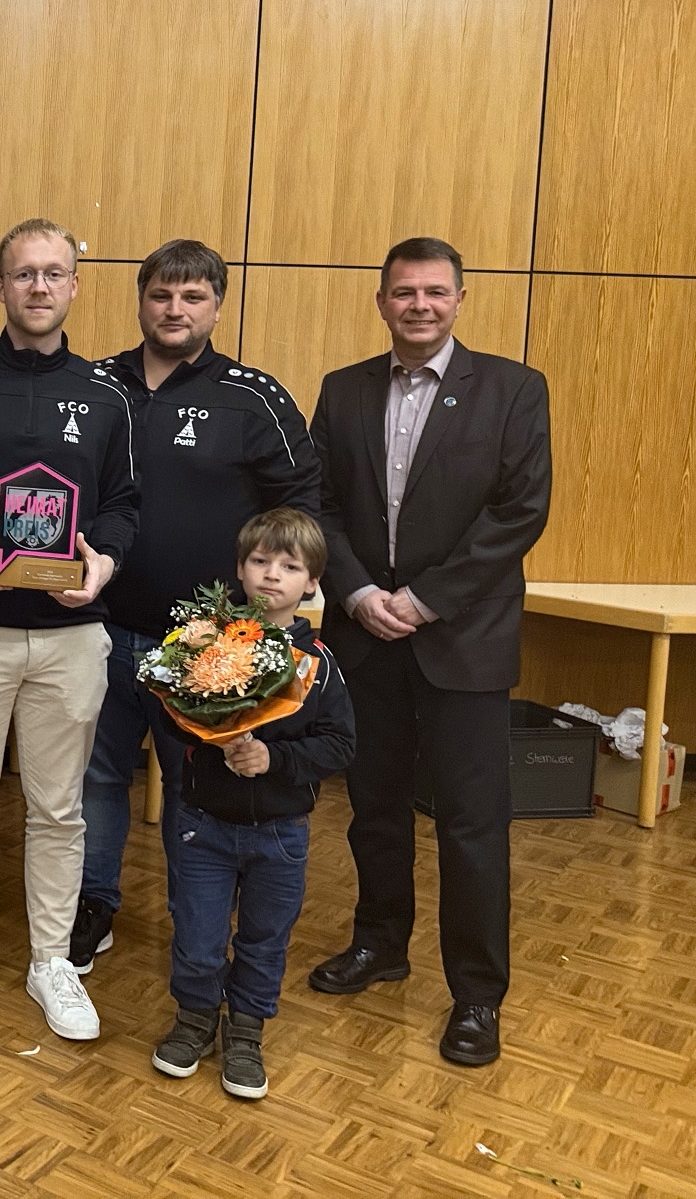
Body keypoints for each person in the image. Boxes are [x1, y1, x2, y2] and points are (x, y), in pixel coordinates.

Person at [305, 237, 551, 1068]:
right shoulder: (343, 392)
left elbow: (518, 515)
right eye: (404, 292)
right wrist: (358, 592)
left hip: (464, 643)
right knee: (372, 809)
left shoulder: (514, 390)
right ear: (381, 301)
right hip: (366, 635)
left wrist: (425, 599)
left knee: (472, 824)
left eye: (435, 292)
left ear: (460, 298)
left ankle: (477, 996)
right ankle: (380, 944)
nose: (419, 305)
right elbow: (321, 505)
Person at [0, 218, 139, 1043]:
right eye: (23, 274)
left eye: (54, 274)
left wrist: (103, 565)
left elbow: (123, 504)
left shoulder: (106, 393)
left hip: (74, 636)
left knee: (59, 810)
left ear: (76, 285)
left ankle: (52, 962)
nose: (39, 287)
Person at [74, 240, 320, 970]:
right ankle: (94, 904)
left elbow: (301, 503)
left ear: (216, 305)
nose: (174, 310)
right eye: (161, 295)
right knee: (98, 778)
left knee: (195, 788)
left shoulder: (255, 396)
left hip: (206, 647)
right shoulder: (96, 384)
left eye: (192, 297)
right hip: (100, 626)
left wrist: (278, 603)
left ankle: (196, 917)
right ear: (141, 299)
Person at [149, 508, 353, 1101]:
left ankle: (245, 1031)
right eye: (260, 561)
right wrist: (211, 729)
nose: (272, 576)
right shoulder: (206, 644)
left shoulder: (318, 664)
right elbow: (177, 715)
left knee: (265, 939)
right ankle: (193, 1020)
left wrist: (274, 759)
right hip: (203, 824)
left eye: (289, 567)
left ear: (311, 583)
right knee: (197, 935)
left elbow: (340, 744)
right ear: (239, 570)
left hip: (280, 832)